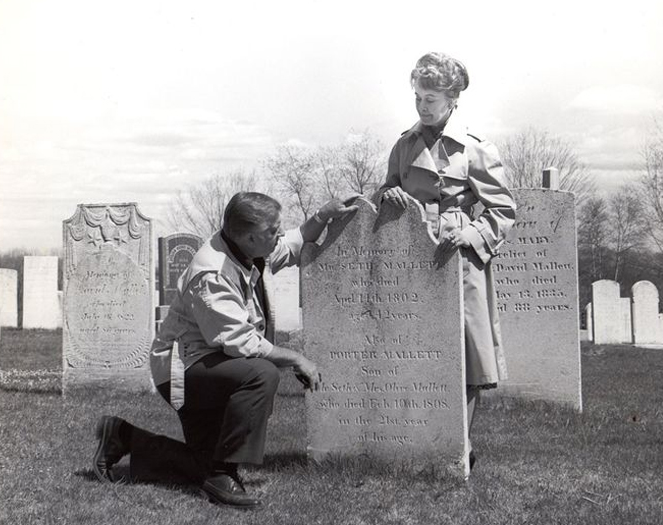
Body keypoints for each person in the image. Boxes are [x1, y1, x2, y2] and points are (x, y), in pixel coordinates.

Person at [92, 192, 358, 509]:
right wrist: (297, 358)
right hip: (183, 370)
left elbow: (296, 242)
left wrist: (323, 215)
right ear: (249, 237)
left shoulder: (250, 249)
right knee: (261, 374)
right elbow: (241, 342)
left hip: (213, 363)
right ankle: (223, 475)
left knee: (202, 465)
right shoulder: (213, 272)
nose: (279, 233)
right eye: (274, 230)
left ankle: (123, 436)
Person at [375, 52, 516, 470]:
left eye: (431, 98)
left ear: (452, 100)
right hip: (414, 257)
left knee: (467, 356)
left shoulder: (475, 149)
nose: (422, 106)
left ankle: (459, 446)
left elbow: (503, 210)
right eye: (418, 97)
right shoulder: (404, 145)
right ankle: (419, 439)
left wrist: (469, 234)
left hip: (461, 258)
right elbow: (383, 191)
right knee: (415, 351)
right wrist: (389, 196)